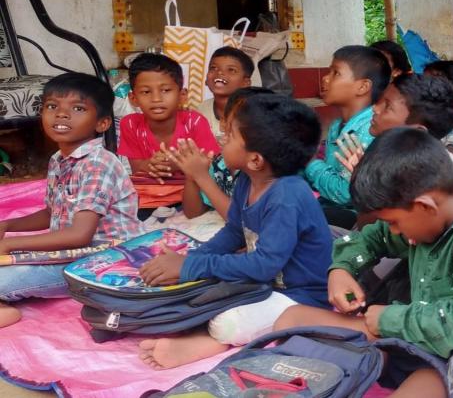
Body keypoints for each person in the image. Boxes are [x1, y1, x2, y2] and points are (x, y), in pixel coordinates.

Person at [274, 127, 453, 397]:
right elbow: (370, 239)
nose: (392, 230)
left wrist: (387, 319)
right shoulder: (425, 219)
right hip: (410, 337)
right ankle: (377, 359)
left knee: (426, 381)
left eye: (393, 222)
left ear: (425, 206)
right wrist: (341, 269)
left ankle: (376, 361)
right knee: (292, 318)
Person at [136, 94, 332, 370]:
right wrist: (191, 259)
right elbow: (234, 233)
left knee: (227, 322)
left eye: (229, 135)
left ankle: (208, 342)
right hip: (262, 285)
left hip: (300, 296)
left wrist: (193, 265)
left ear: (255, 159)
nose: (220, 138)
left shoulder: (288, 196)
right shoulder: (246, 179)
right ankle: (208, 335)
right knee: (193, 293)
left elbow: (264, 265)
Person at [0, 73, 144, 328]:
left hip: (101, 262)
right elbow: (52, 213)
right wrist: (8, 227)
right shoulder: (59, 159)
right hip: (69, 253)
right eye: (52, 107)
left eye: (78, 108)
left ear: (102, 123)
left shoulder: (98, 164)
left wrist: (12, 246)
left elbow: (80, 235)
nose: (61, 115)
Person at [118, 53, 220, 215]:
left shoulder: (194, 122)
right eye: (146, 92)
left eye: (165, 90)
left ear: (182, 95)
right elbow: (137, 169)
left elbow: (214, 166)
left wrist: (177, 163)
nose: (156, 98)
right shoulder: (130, 124)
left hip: (190, 195)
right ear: (133, 98)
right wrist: (153, 162)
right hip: (148, 198)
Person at [303, 45, 391, 228]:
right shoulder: (337, 125)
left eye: (336, 73)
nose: (325, 79)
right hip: (331, 206)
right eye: (329, 71)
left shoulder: (368, 130)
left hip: (356, 217)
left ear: (362, 87)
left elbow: (345, 193)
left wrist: (310, 163)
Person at [334, 74, 453, 182]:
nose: (375, 109)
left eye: (388, 106)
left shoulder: (428, 174)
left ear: (418, 132)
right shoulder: (392, 153)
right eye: (379, 101)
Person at [167, 87, 275, 219]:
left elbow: (241, 221)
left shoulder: (268, 169)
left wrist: (202, 177)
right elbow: (193, 212)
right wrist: (192, 176)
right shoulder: (220, 165)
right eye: (232, 122)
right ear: (223, 123)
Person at [198, 46, 254, 138]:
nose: (220, 72)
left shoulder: (253, 113)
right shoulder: (202, 110)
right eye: (213, 68)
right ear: (206, 80)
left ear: (246, 83)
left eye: (231, 70)